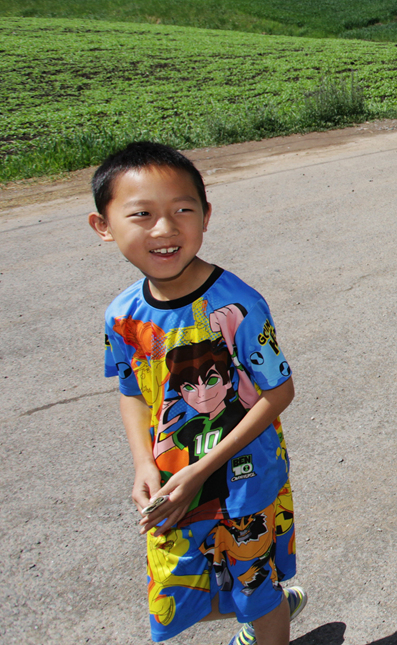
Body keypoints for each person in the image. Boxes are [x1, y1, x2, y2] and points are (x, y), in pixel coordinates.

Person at [89, 142, 308, 645]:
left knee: (254, 588)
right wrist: (145, 464)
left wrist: (200, 470)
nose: (164, 230)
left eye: (182, 210)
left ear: (205, 216)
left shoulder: (239, 304)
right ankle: (269, 603)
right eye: (141, 214)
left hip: (244, 481)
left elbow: (278, 392)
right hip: (172, 484)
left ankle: (267, 611)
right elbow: (133, 392)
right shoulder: (121, 316)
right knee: (175, 591)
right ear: (103, 226)